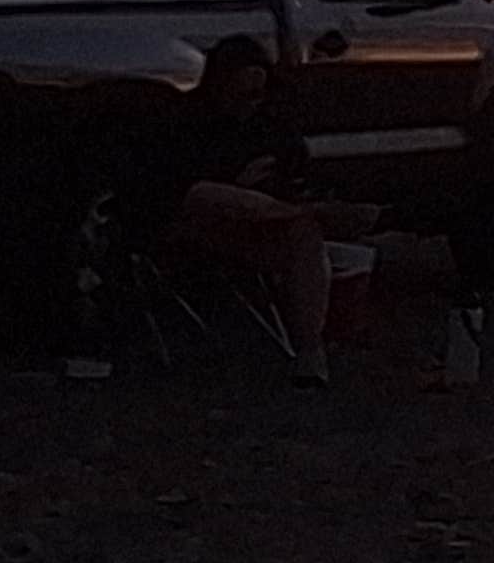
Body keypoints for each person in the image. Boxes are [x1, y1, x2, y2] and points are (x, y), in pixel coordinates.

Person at [148, 41, 370, 385]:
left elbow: (299, 173)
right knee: (213, 194)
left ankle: (310, 350)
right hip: (190, 222)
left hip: (255, 227)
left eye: (257, 94)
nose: (250, 103)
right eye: (241, 94)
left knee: (303, 232)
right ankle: (301, 214)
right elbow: (178, 190)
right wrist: (239, 184)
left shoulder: (271, 127)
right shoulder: (187, 125)